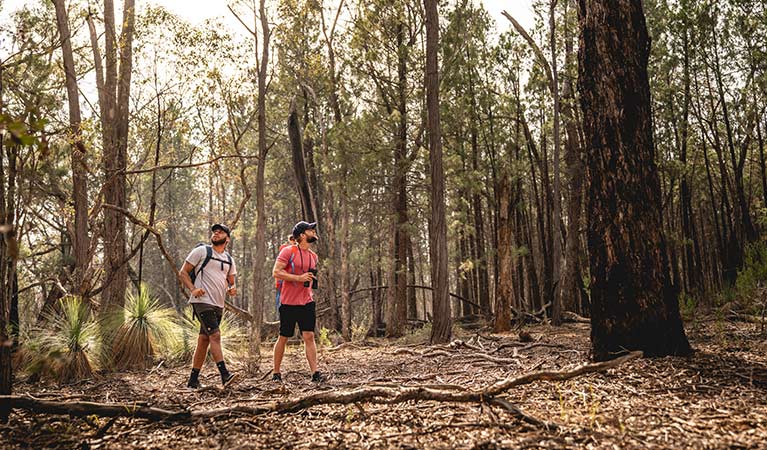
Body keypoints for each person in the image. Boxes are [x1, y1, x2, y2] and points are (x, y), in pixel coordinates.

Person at [178, 223, 238, 389]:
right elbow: (183, 272)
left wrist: (232, 289)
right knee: (215, 336)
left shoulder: (229, 260)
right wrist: (193, 289)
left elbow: (231, 283)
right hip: (202, 301)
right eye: (214, 231)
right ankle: (225, 375)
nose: (216, 233)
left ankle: (193, 380)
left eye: (221, 231)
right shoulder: (202, 251)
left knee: (204, 339)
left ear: (227, 238)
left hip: (218, 304)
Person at [271, 221, 325, 383]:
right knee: (284, 337)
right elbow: (276, 272)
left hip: (307, 301)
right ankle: (276, 373)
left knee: (309, 336)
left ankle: (315, 373)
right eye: (310, 230)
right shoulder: (288, 251)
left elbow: (308, 276)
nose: (314, 232)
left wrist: (311, 280)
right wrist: (298, 278)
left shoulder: (313, 257)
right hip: (288, 302)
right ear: (302, 235)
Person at [275, 234, 297, 311]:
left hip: (293, 283)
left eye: (295, 240)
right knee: (283, 303)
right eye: (292, 240)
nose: (294, 242)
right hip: (281, 282)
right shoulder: (285, 249)